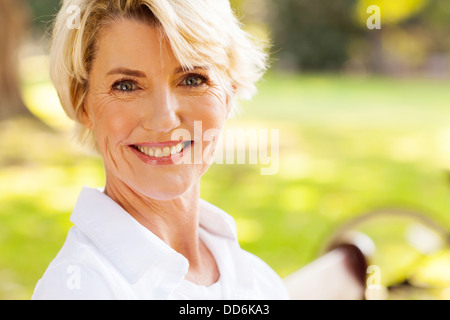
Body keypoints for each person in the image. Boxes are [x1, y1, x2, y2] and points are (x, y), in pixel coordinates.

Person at [32, 0, 289, 299]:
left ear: (229, 93)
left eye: (192, 80)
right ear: (83, 103)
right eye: (126, 85)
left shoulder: (258, 279)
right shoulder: (80, 287)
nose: (164, 120)